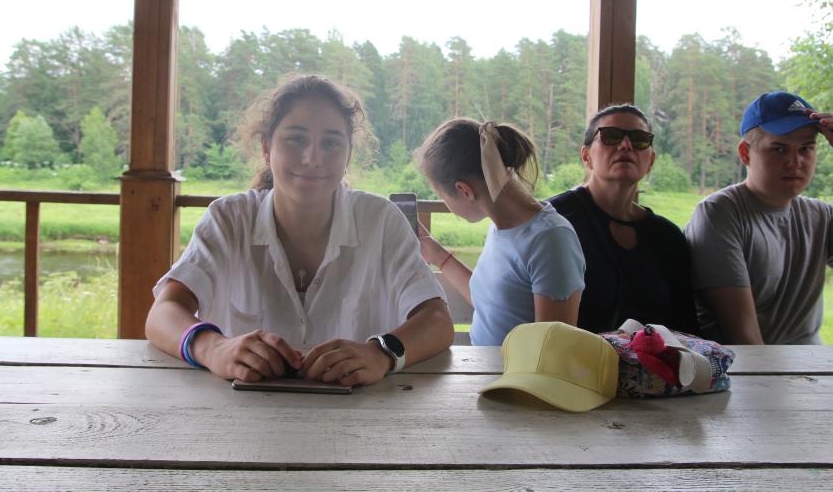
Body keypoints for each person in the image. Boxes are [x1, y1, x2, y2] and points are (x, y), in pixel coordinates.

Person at [145, 74, 453, 386]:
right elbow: (164, 312)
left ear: (348, 155)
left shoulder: (381, 221)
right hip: (237, 412)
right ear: (267, 148)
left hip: (361, 412)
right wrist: (214, 348)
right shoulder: (229, 219)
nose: (312, 158)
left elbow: (436, 319)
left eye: (331, 143)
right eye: (296, 139)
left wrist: (382, 353)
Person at [413, 118, 584, 346]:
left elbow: (553, 349)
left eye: (442, 196)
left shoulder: (551, 240)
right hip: (484, 366)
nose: (446, 204)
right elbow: (494, 305)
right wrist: (437, 255)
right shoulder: (500, 227)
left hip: (512, 371)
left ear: (464, 190)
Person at [685, 91, 833, 344]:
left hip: (812, 364)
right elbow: (744, 337)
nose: (795, 162)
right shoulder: (720, 213)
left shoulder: (821, 215)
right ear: (745, 153)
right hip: (748, 366)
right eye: (779, 149)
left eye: (806, 149)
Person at [549, 104, 699, 335]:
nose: (626, 145)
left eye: (639, 140)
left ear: (651, 160)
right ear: (586, 156)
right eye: (610, 136)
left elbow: (685, 328)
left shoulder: (667, 238)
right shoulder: (554, 220)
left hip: (651, 358)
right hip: (570, 356)